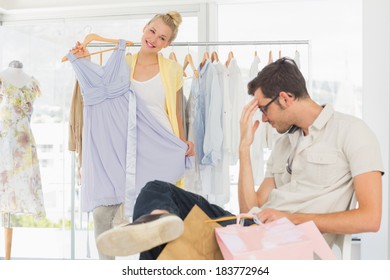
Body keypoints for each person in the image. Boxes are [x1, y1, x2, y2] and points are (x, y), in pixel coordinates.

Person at [96, 57, 383, 260]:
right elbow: (252, 209)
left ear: (285, 98)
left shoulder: (353, 132)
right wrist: (244, 149)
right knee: (156, 188)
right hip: (252, 230)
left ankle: (156, 229)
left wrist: (290, 218)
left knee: (161, 251)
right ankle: (157, 220)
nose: (263, 118)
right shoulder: (284, 144)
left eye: (263, 109)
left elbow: (370, 218)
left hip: (288, 243)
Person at [70, 11, 194, 260]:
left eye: (161, 38)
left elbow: (177, 113)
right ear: (144, 28)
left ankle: (152, 265)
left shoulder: (172, 70)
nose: (153, 39)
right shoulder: (123, 63)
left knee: (153, 217)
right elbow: (102, 98)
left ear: (167, 44)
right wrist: (83, 60)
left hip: (160, 146)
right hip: (125, 146)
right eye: (152, 31)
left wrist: (182, 141)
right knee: (102, 213)